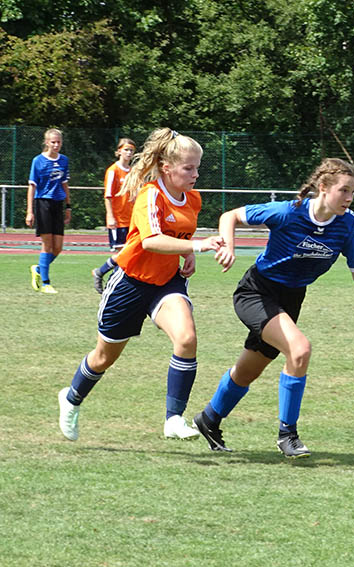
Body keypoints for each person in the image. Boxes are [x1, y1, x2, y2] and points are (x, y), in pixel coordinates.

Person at [192, 158, 354, 456]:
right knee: (299, 349)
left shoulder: (347, 223)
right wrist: (228, 246)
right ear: (323, 187)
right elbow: (230, 216)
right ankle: (287, 435)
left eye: (352, 191)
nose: (349, 198)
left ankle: (209, 418)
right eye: (344, 190)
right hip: (257, 291)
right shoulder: (289, 212)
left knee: (250, 368)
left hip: (291, 299)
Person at [57, 128, 224, 442]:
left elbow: (180, 238)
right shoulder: (151, 194)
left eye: (197, 167)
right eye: (189, 168)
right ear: (167, 167)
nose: (195, 174)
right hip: (130, 284)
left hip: (167, 284)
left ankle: (173, 419)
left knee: (186, 339)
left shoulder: (194, 198)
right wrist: (198, 246)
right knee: (104, 357)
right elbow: (151, 240)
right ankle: (71, 398)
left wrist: (190, 254)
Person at [26, 128, 71, 294]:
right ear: (46, 142)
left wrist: (68, 206)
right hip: (43, 202)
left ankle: (38, 268)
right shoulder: (38, 160)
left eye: (59, 142)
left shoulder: (64, 160)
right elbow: (32, 186)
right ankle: (46, 283)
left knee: (58, 247)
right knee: (47, 244)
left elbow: (65, 184)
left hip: (58, 203)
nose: (56, 145)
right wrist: (29, 211)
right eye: (53, 142)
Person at [92, 138, 137, 294]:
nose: (129, 153)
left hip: (131, 219)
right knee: (122, 254)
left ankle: (107, 276)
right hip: (118, 219)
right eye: (126, 149)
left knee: (129, 253)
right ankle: (102, 273)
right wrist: (110, 217)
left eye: (131, 150)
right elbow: (108, 195)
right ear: (118, 152)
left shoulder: (132, 171)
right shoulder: (113, 171)